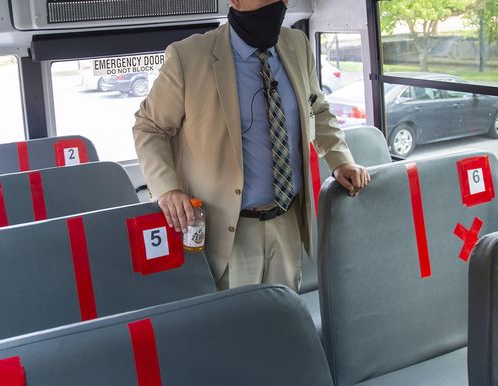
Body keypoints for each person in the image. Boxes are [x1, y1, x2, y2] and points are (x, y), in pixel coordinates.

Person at [133, 0, 369, 291]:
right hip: (227, 230)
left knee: (281, 324)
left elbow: (317, 108)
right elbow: (149, 127)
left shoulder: (296, 43)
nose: (278, 3)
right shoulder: (188, 57)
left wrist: (340, 158)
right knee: (234, 330)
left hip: (287, 220)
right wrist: (167, 188)